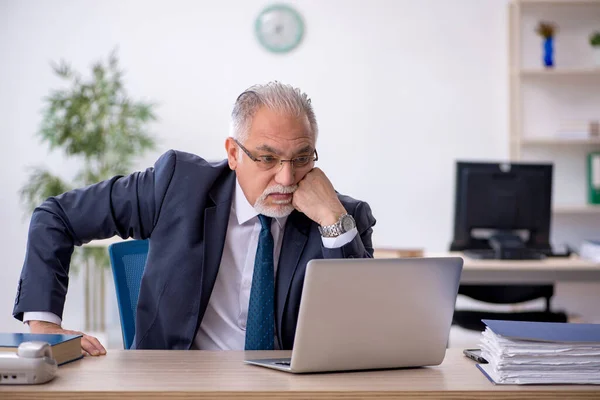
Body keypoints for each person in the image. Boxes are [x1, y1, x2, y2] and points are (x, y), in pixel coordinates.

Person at [13, 82, 376, 355]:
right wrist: (44, 326)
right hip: (176, 385)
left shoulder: (342, 218)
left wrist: (332, 218)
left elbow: (363, 333)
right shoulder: (177, 185)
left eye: (301, 158)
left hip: (291, 392)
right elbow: (56, 216)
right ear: (233, 153)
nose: (286, 178)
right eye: (267, 158)